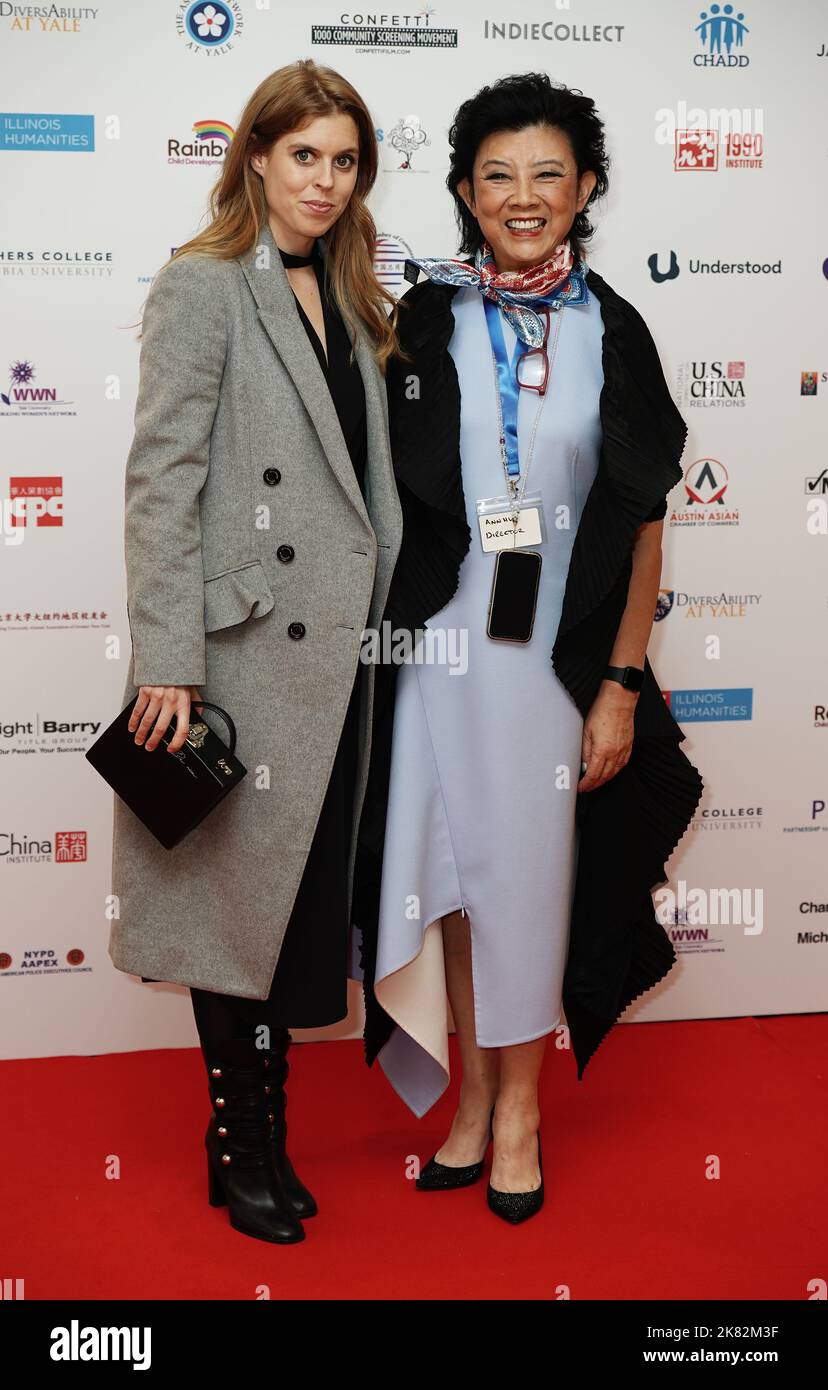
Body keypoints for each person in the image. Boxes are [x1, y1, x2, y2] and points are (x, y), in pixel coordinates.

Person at [352, 73, 704, 1224]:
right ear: (462, 189)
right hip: (438, 649)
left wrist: (619, 682)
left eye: (548, 172)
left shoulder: (618, 327)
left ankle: (520, 1111)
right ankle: (464, 1099)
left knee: (529, 883)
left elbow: (645, 516)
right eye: (497, 174)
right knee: (450, 877)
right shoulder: (424, 318)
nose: (522, 195)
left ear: (587, 186)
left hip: (554, 660)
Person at [109, 59, 402, 1245]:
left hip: (338, 661)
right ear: (256, 159)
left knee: (291, 915)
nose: (324, 181)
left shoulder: (353, 291)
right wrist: (168, 659)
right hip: (238, 659)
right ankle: (244, 1148)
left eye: (344, 160)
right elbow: (159, 483)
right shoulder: (204, 285)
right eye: (303, 156)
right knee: (238, 914)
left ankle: (263, 1132)